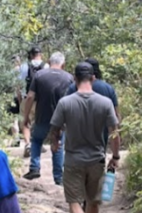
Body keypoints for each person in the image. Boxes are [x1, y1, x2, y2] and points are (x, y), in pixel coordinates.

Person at [49, 62, 120, 213]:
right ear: (93, 78)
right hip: (97, 159)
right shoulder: (105, 103)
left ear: (75, 78)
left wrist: (54, 144)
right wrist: (115, 156)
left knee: (74, 200)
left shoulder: (66, 102)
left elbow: (55, 129)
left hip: (73, 160)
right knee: (93, 200)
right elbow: (114, 133)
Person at [22, 51, 73, 184]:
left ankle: (34, 167)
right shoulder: (69, 78)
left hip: (42, 116)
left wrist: (26, 116)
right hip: (61, 119)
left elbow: (30, 97)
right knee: (58, 145)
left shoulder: (39, 75)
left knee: (37, 140)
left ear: (49, 62)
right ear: (64, 64)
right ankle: (58, 177)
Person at [65, 57, 121, 149]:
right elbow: (116, 114)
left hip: (77, 134)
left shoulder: (73, 87)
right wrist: (117, 132)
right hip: (101, 134)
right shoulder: (108, 88)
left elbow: (66, 111)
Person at [18, 45, 45, 156]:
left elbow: (18, 85)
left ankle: (28, 143)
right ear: (40, 54)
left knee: (25, 121)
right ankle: (38, 143)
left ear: (30, 55)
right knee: (39, 122)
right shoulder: (47, 66)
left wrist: (20, 99)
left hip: (26, 98)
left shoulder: (23, 67)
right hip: (41, 100)